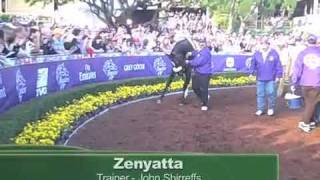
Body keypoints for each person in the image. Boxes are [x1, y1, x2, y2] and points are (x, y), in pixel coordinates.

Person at [291, 35, 320, 133]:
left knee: (309, 103)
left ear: (307, 42)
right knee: (312, 103)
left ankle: (308, 122)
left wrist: (294, 82)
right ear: (316, 42)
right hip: (316, 82)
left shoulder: (302, 53)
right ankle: (306, 123)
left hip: (305, 82)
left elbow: (297, 69)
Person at [250, 38, 283, 116]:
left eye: (265, 43)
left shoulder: (274, 53)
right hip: (260, 77)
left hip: (271, 78)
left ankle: (271, 108)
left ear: (268, 44)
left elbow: (278, 65)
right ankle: (260, 109)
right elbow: (253, 64)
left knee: (271, 93)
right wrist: (251, 73)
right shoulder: (256, 53)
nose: (263, 45)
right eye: (262, 44)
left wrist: (279, 75)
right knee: (260, 94)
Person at [186, 39, 212, 111]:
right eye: (200, 43)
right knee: (195, 87)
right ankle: (204, 97)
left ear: (205, 44)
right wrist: (191, 53)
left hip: (205, 74)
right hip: (197, 73)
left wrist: (188, 61)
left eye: (203, 43)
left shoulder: (206, 52)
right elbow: (196, 52)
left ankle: (204, 104)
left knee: (204, 89)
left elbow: (198, 62)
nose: (201, 44)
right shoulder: (200, 50)